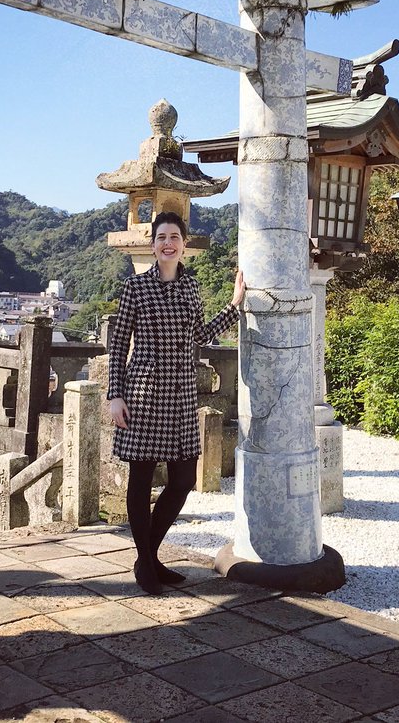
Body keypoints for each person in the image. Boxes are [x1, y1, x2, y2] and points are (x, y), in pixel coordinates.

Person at [106, 211, 245, 594]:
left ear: (184, 245)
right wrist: (115, 394)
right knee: (142, 478)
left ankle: (146, 558)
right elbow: (118, 346)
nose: (168, 243)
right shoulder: (136, 287)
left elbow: (200, 333)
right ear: (152, 244)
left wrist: (234, 305)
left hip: (182, 393)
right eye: (161, 237)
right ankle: (148, 564)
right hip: (144, 392)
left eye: (175, 237)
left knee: (183, 480)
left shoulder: (192, 288)